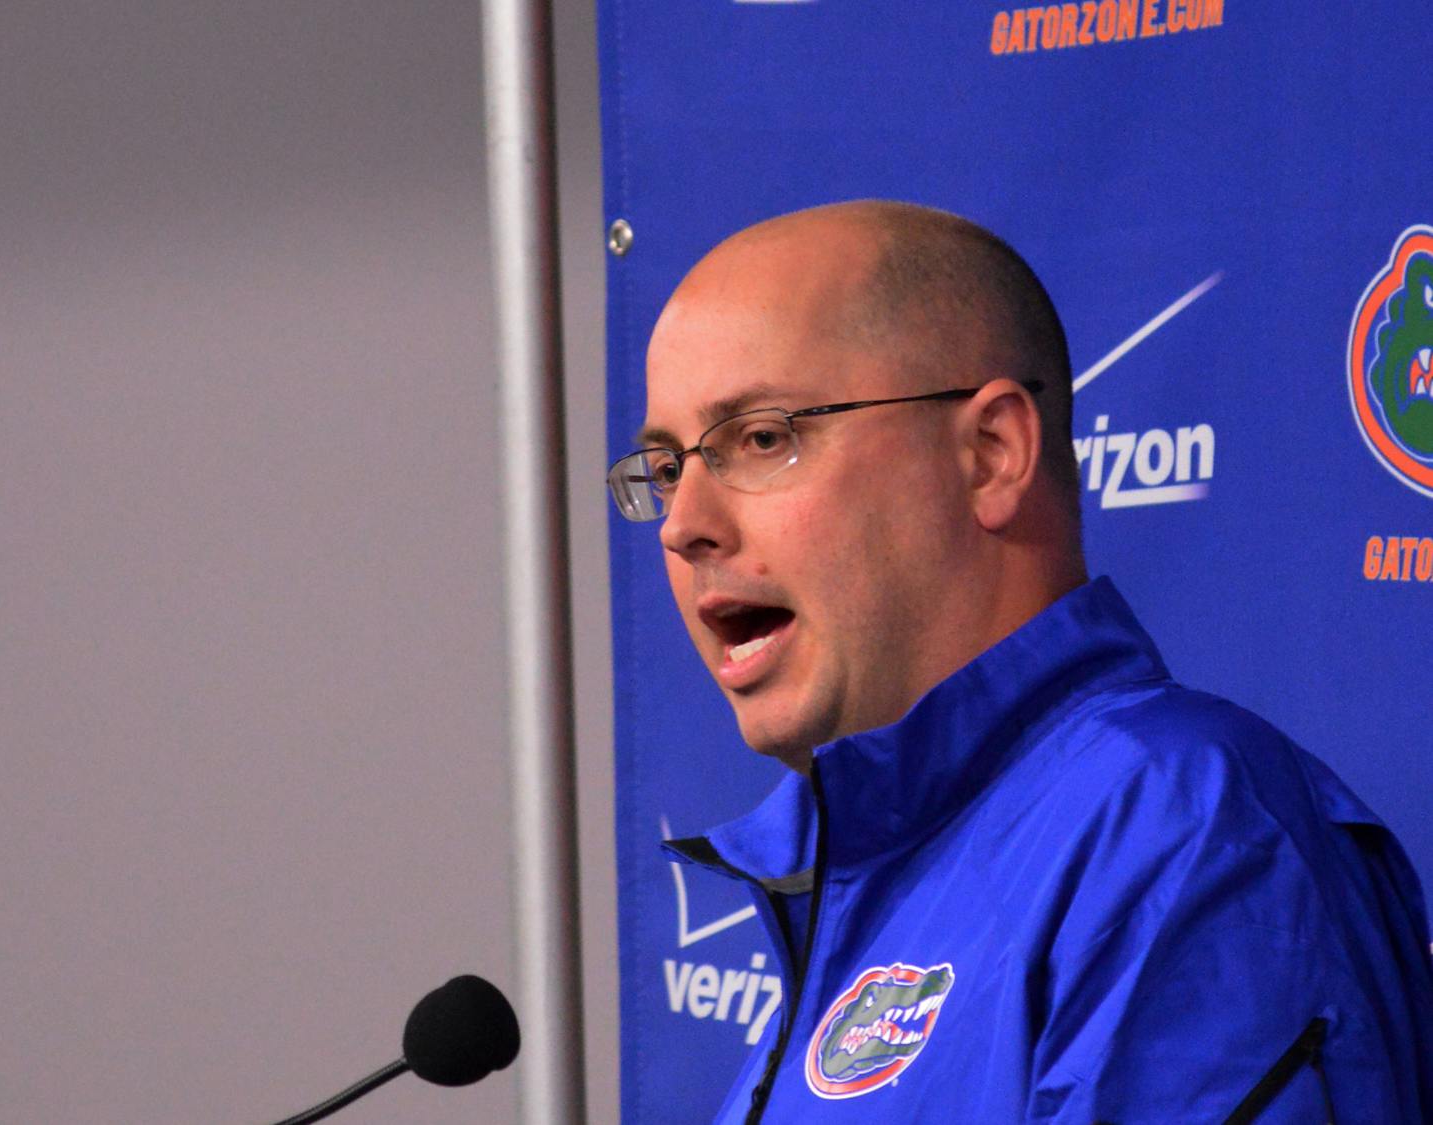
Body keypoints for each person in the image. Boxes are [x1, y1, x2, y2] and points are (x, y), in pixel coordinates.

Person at [606, 201, 1433, 1123]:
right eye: (668, 467)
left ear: (992, 453)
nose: (683, 526)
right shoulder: (874, 859)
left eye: (760, 438)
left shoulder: (1183, 827)